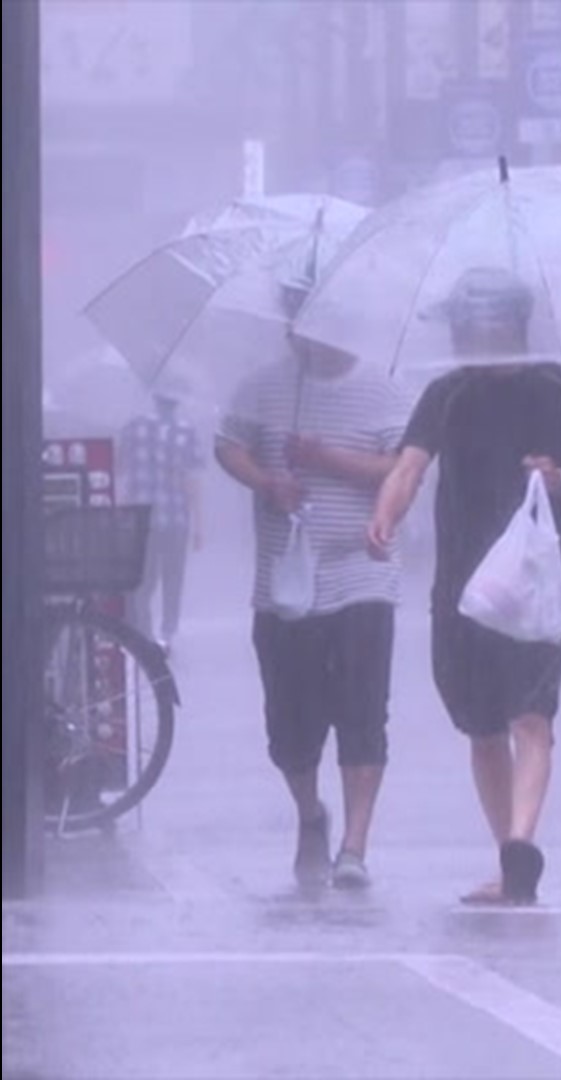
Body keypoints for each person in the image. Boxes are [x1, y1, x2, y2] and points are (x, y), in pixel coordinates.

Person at [367, 268, 561, 905]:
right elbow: (410, 466)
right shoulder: (449, 394)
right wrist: (386, 514)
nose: (475, 337)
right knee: (483, 726)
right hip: (465, 587)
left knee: (532, 717)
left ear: (512, 324)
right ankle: (510, 857)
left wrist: (559, 478)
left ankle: (520, 844)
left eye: (485, 325)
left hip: (538, 588)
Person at [214, 275, 408, 890]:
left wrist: (327, 460)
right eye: (296, 318)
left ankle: (355, 845)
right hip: (284, 582)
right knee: (289, 723)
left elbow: (402, 469)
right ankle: (309, 812)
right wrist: (267, 482)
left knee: (362, 711)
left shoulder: (382, 389)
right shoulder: (263, 385)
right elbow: (227, 445)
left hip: (361, 575)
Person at [118, 390, 203, 654]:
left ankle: (144, 634)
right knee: (172, 580)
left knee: (142, 580)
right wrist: (199, 526)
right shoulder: (187, 431)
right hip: (176, 518)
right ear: (176, 402)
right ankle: (166, 636)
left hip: (142, 519)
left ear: (154, 399)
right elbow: (192, 483)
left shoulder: (134, 427)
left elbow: (120, 467)